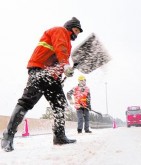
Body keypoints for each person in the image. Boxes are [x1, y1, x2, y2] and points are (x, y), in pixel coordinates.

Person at [1, 17, 83, 152]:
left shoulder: (68, 43)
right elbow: (60, 48)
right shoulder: (60, 31)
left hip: (52, 75)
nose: (76, 34)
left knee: (60, 105)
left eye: (78, 33)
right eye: (75, 30)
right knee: (27, 101)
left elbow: (58, 58)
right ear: (69, 27)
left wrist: (64, 72)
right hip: (40, 70)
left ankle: (59, 136)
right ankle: (8, 135)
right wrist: (66, 64)